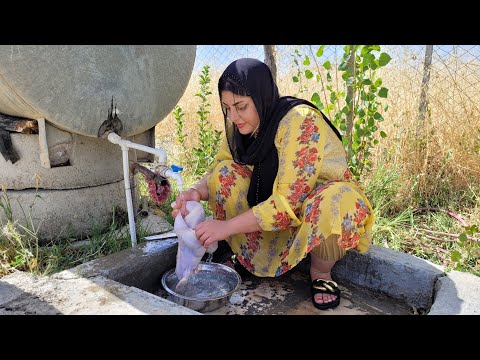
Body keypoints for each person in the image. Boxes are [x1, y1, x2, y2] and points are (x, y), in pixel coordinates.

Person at [172, 58, 375, 310]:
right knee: (226, 173)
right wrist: (194, 193)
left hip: (309, 212)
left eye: (241, 106)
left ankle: (321, 273)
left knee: (335, 202)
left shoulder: (300, 122)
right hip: (271, 210)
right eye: (227, 108)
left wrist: (225, 227)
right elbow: (218, 169)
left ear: (262, 97)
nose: (234, 116)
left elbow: (289, 203)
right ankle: (248, 259)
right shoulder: (242, 125)